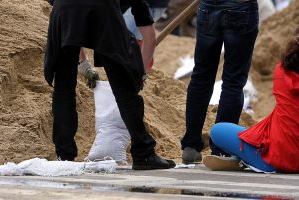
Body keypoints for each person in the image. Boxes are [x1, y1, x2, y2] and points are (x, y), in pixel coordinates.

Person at [44, 0, 175, 170]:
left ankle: (64, 156)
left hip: (63, 12)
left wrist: (82, 62)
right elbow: (149, 38)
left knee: (63, 88)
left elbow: (74, 23)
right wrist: (138, 74)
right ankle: (144, 154)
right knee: (124, 88)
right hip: (103, 12)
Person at [203, 27, 299, 173]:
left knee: (218, 130)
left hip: (279, 158)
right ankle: (242, 158)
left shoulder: (281, 72)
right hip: (285, 149)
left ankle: (248, 159)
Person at [180, 0, 259, 164]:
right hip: (241, 7)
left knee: (201, 76)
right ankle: (221, 148)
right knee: (233, 81)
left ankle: (190, 145)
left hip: (209, 6)